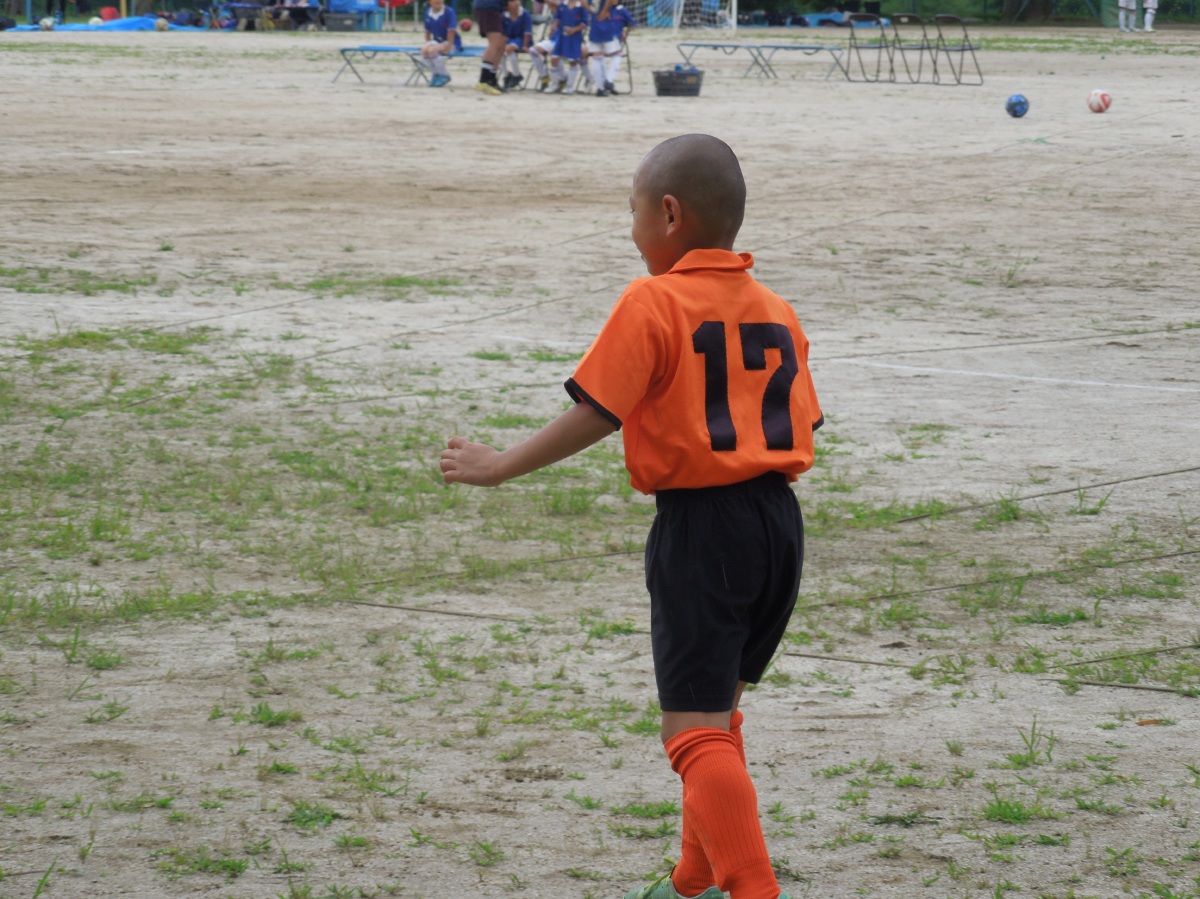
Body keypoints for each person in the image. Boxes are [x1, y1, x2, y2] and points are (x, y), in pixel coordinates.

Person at [440, 133, 821, 899]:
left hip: (703, 530)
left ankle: (753, 888)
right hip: (778, 523)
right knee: (717, 715)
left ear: (669, 214)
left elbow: (598, 410)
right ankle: (693, 876)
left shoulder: (653, 299)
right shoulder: (776, 309)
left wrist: (499, 463)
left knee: (692, 731)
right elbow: (803, 422)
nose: (632, 229)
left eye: (634, 211)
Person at [548, 0, 588, 93]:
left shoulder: (581, 6)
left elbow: (584, 23)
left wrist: (574, 29)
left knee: (572, 61)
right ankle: (554, 84)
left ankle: (570, 86)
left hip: (574, 37)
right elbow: (558, 18)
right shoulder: (563, 5)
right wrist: (554, 26)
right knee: (554, 58)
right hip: (561, 36)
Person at [420, 0, 461, 88]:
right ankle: (435, 74)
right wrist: (428, 43)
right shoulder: (428, 12)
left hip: (451, 42)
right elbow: (427, 31)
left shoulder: (448, 12)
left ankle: (444, 75)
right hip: (438, 40)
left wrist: (449, 46)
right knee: (424, 51)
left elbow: (451, 31)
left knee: (432, 50)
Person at [585, 0, 621, 96]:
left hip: (594, 24)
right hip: (606, 25)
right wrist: (604, 11)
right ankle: (609, 80)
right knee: (617, 54)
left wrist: (592, 11)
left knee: (597, 56)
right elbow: (613, 2)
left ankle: (600, 88)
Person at [472, 0, 509, 93]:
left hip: (493, 7)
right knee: (494, 43)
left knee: (501, 44)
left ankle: (491, 80)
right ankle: (483, 81)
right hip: (489, 6)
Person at [500, 0, 533, 89]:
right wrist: (503, 43)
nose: (516, 3)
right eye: (512, 1)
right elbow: (503, 33)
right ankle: (507, 75)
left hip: (522, 39)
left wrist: (525, 46)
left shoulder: (525, 14)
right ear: (507, 5)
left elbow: (527, 32)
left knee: (509, 49)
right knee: (499, 51)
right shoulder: (504, 15)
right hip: (510, 39)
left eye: (517, 1)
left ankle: (516, 75)